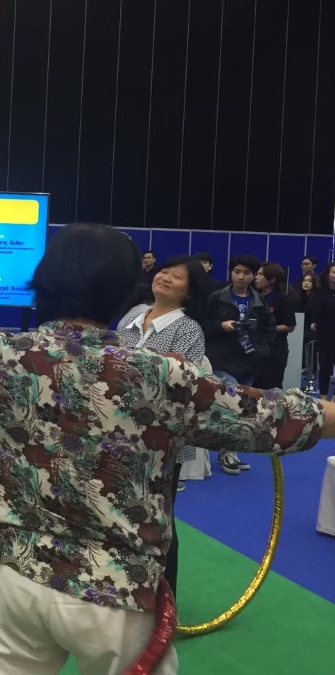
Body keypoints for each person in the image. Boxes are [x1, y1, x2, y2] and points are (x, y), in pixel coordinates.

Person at [0, 223, 335, 675]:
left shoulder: (0, 352)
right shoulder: (162, 376)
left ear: (44, 282)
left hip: (12, 579)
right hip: (115, 592)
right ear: (123, 292)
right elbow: (281, 418)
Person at [116, 256, 211, 599]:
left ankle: (164, 601)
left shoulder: (189, 330)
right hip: (117, 432)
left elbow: (180, 383)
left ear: (190, 292)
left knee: (159, 520)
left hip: (162, 439)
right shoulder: (133, 315)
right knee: (119, 511)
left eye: (177, 277)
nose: (166, 278)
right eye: (164, 271)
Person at [204, 254, 276, 475]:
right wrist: (221, 325)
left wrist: (262, 352)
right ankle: (227, 453)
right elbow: (204, 324)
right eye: (237, 272)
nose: (241, 277)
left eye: (246, 273)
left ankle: (231, 450)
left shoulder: (259, 301)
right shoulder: (217, 297)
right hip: (223, 360)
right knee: (232, 405)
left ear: (254, 275)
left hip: (249, 360)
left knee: (244, 409)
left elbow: (269, 329)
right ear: (231, 273)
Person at [254, 262, 297, 390]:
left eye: (261, 274)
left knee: (271, 389)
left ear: (272, 279)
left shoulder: (283, 299)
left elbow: (290, 326)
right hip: (256, 349)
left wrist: (267, 328)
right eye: (257, 274)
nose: (256, 277)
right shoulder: (255, 297)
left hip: (275, 351)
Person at [313, 263, 335, 398]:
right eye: (334, 272)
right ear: (328, 275)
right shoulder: (321, 292)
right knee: (325, 367)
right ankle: (324, 397)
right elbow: (316, 312)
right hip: (325, 335)